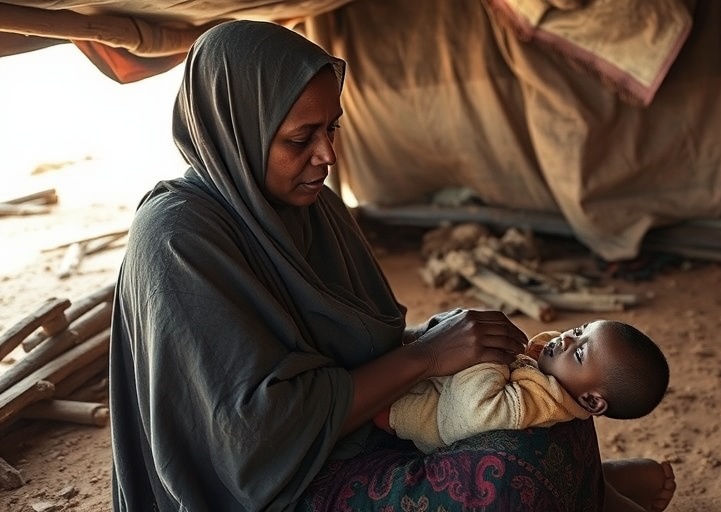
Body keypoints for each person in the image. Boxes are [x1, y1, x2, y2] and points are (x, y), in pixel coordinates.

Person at [108, 19, 670, 511]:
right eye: (301, 137)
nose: (327, 156)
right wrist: (426, 356)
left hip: (356, 429)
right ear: (235, 131)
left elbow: (357, 343)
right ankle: (581, 494)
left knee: (554, 395)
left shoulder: (311, 206)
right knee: (505, 482)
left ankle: (584, 489)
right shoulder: (177, 240)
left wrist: (449, 340)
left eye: (332, 128)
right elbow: (251, 444)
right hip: (276, 488)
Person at [376, 319, 675, 511]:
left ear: (591, 402)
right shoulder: (558, 382)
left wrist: (488, 358)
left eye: (581, 353)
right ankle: (602, 491)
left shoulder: (531, 403)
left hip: (413, 413)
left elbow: (474, 410)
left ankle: (604, 497)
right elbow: (541, 349)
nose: (567, 339)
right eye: (580, 329)